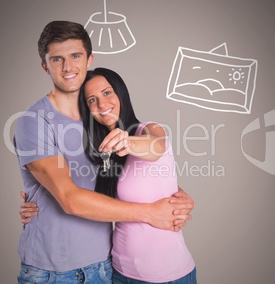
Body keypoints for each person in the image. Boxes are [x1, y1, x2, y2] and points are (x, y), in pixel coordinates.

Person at [14, 20, 194, 284]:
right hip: (55, 272)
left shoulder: (100, 124)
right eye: (57, 59)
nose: (67, 67)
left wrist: (177, 196)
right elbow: (71, 199)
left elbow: (142, 165)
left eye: (75, 56)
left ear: (89, 59)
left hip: (105, 266)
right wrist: (150, 212)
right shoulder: (34, 120)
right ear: (45, 65)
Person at [79, 67, 197, 283]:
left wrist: (128, 141)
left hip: (168, 276)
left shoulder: (148, 130)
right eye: (91, 100)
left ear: (120, 93)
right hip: (119, 272)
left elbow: (156, 146)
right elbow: (87, 202)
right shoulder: (101, 152)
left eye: (107, 93)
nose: (102, 105)